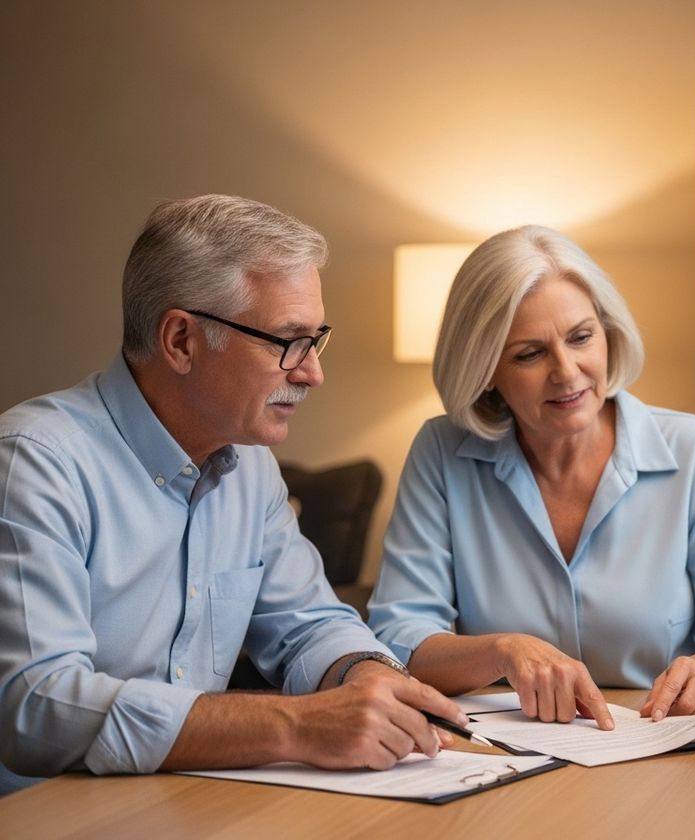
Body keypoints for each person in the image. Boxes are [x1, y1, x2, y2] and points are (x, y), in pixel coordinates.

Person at [0, 195, 467, 795]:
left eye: (314, 339)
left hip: (186, 805)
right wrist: (294, 725)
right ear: (181, 341)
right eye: (287, 341)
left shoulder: (250, 467)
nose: (311, 373)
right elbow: (36, 708)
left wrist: (369, 676)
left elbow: (309, 626)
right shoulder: (35, 463)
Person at [368, 225, 695, 727]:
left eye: (581, 337)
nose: (566, 372)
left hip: (660, 742)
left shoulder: (694, 450)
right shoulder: (442, 451)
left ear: (608, 333)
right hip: (513, 750)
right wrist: (502, 651)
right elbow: (399, 635)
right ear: (485, 371)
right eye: (529, 354)